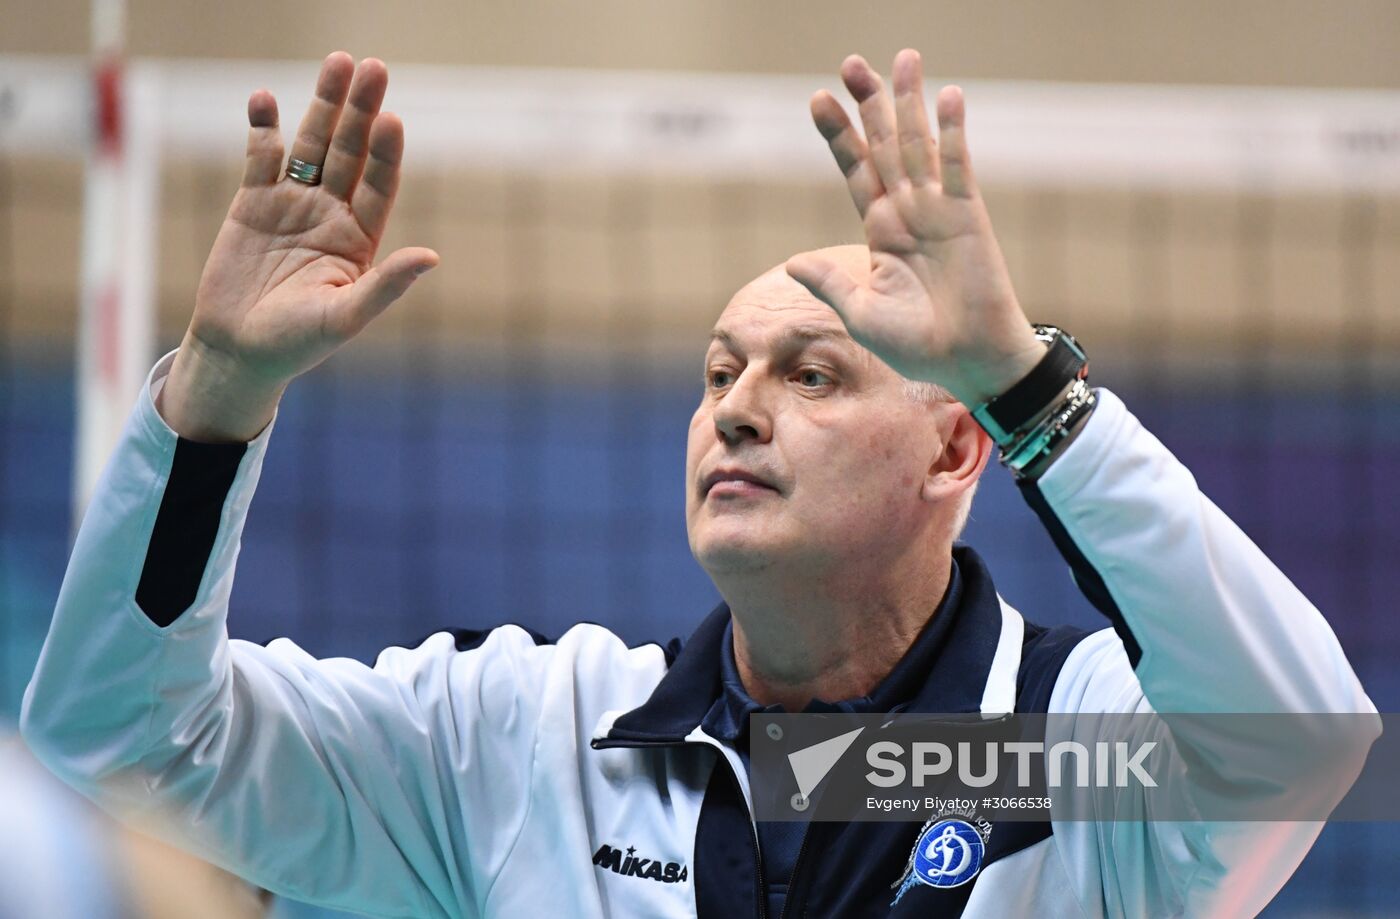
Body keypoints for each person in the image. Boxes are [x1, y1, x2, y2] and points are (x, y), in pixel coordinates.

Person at [21, 48, 1377, 918]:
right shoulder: (526, 738)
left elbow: (1297, 740)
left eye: (812, 375)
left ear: (958, 451)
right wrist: (217, 401)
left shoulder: (1067, 750)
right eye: (717, 370)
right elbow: (122, 743)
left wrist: (1027, 384)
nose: (734, 408)